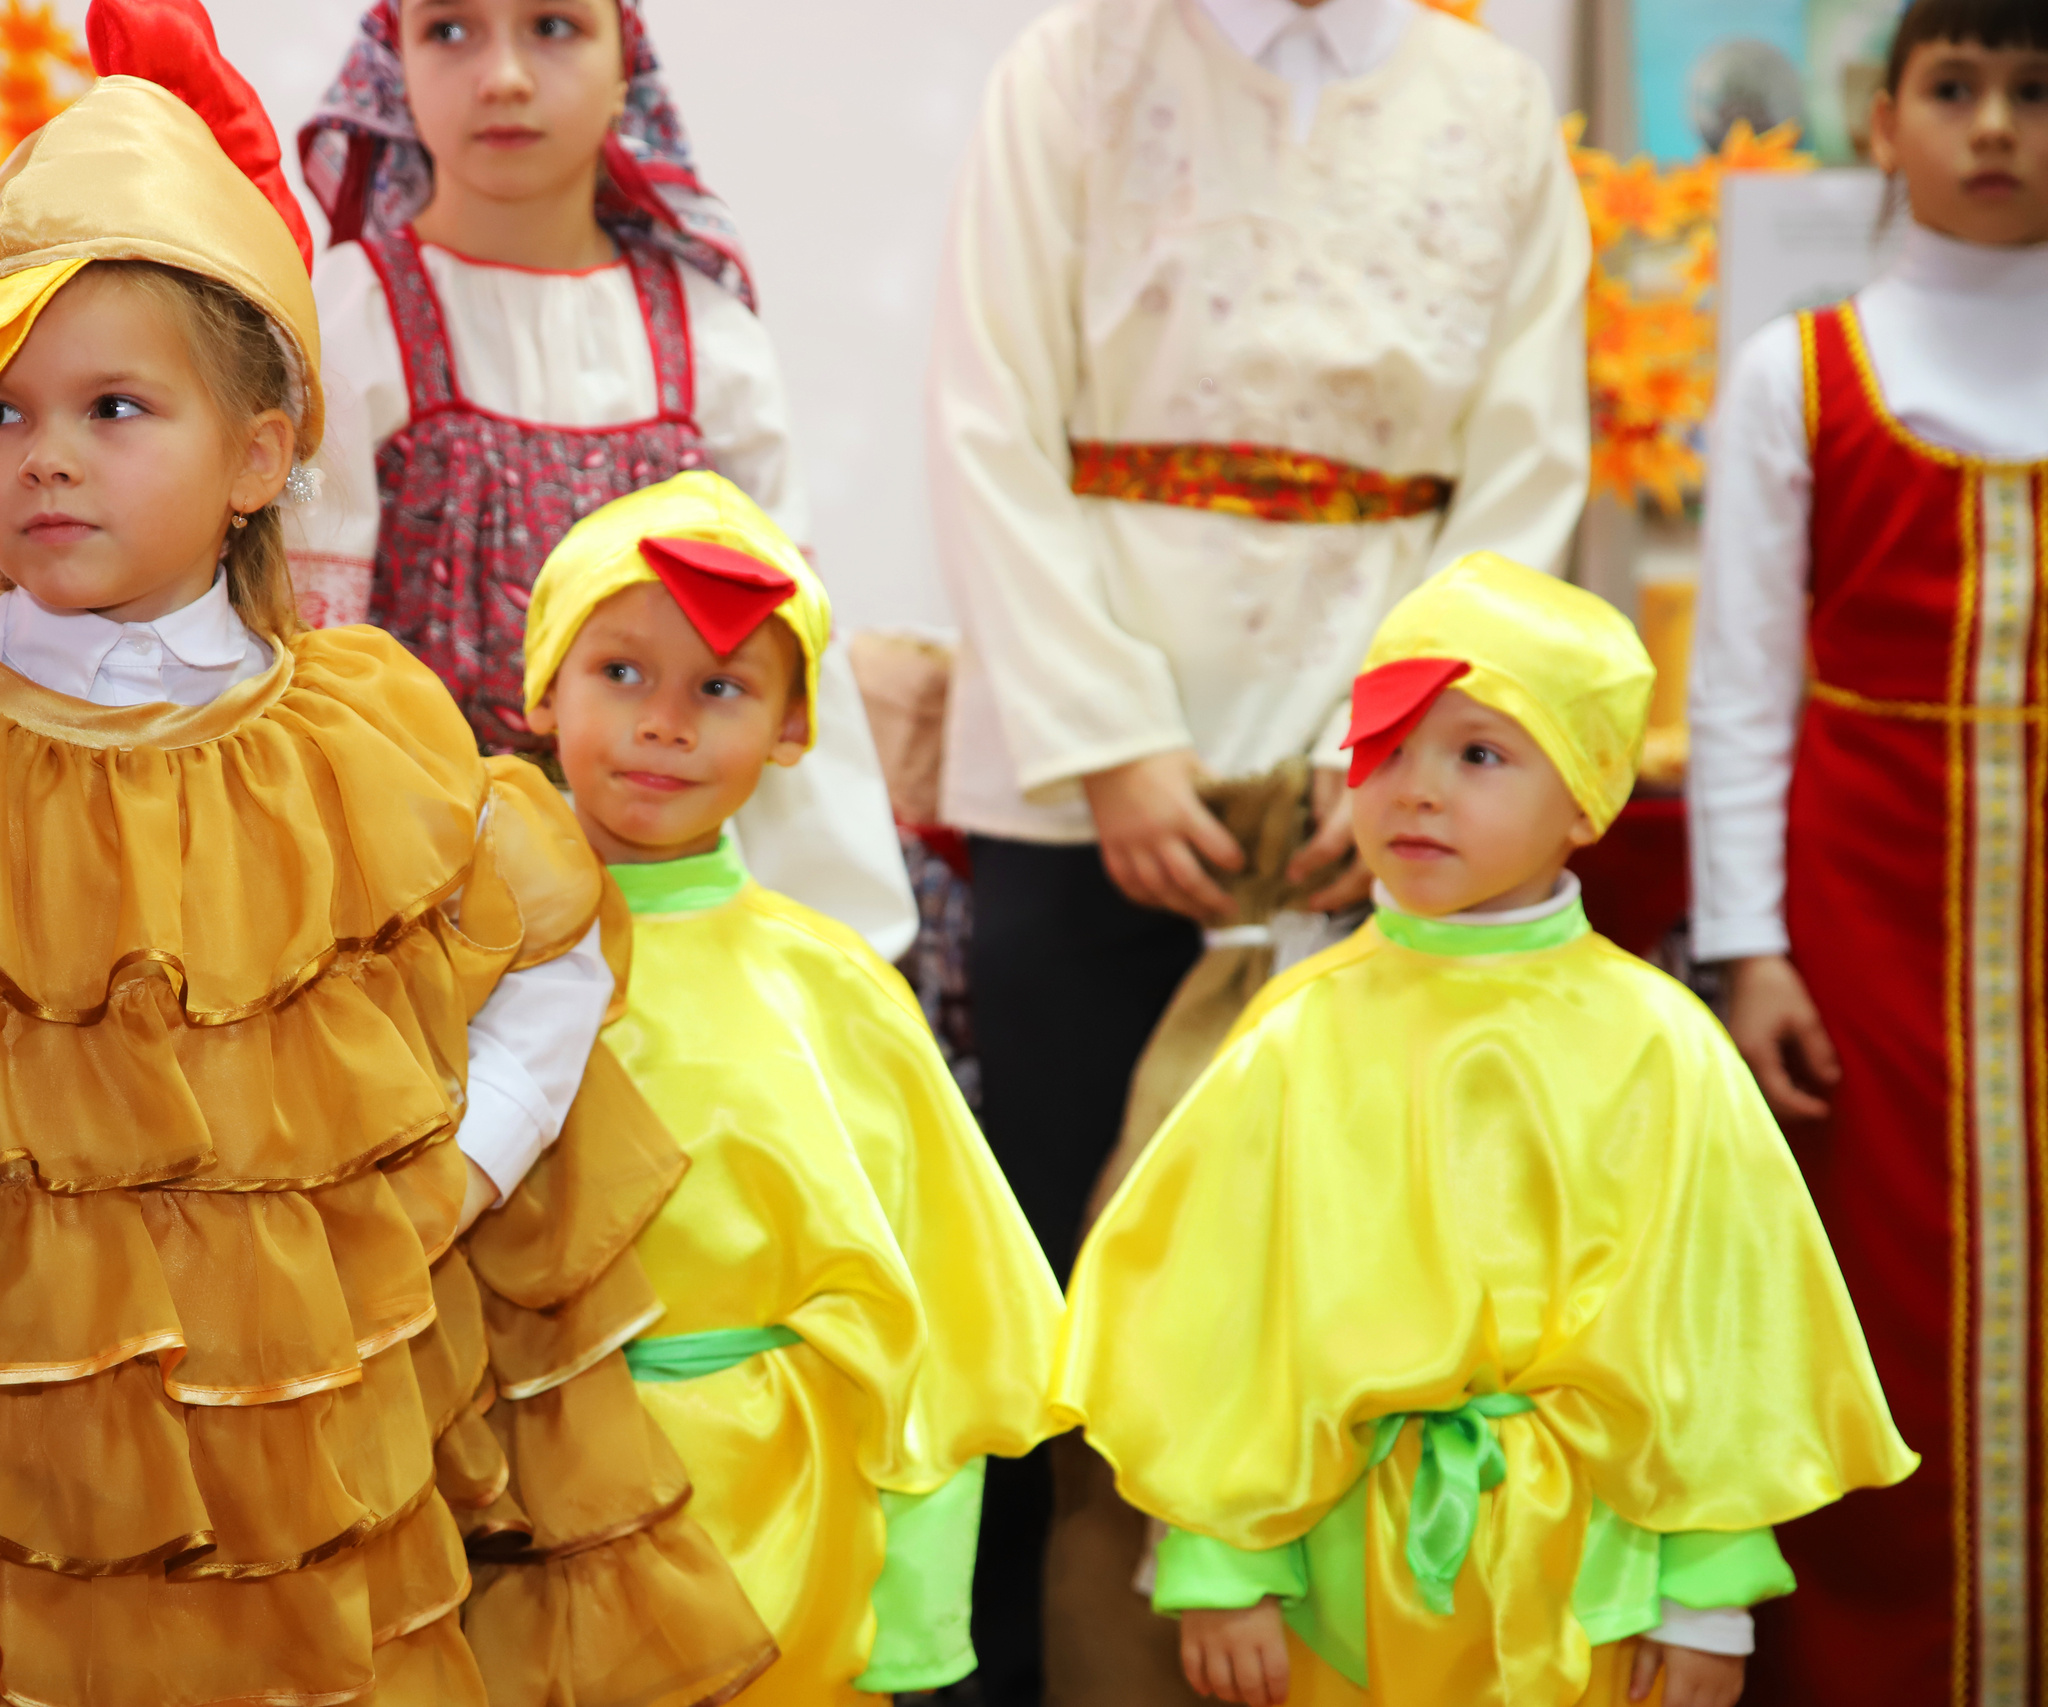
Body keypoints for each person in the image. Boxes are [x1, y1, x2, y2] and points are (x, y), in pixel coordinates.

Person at [0, 5, 771, 1702]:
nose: (43, 451)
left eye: (115, 405)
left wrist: (454, 1179)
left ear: (262, 452)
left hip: (293, 1492)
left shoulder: (361, 743)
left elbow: (550, 960)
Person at [925, 1, 1592, 1691]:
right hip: (1090, 799)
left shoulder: (1491, 105)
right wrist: (1110, 747)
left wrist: (1413, 759)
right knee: (1072, 1292)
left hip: (1389, 813)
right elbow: (987, 410)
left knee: (1371, 1276)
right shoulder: (1073, 67)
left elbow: (1524, 460)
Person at [1057, 554, 1916, 1707]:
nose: (1415, 789)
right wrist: (1219, 1557)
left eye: (1477, 753)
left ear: (1586, 797)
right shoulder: (1295, 1033)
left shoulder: (1658, 1044)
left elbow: (1721, 1326)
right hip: (1338, 1570)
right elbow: (1218, 1303)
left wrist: (1704, 1595)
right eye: (1386, 746)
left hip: (1588, 1577)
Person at [517, 470, 1065, 1704]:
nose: (666, 723)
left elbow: (941, 1331)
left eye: (719, 688)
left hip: (781, 1544)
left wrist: (916, 1619)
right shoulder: (450, 956)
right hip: (512, 1513)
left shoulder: (836, 996)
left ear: (792, 731)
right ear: (542, 685)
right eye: (620, 673)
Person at [1687, 2, 2048, 1700]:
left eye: (2036, 94)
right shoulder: (1797, 373)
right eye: (1957, 89)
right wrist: (1746, 949)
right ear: (1883, 120)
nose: (1996, 127)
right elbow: (1742, 682)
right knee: (1871, 1314)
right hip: (1863, 927)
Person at [292, 0, 916, 960]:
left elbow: (788, 649)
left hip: (676, 914)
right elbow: (308, 662)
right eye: (449, 31)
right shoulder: (355, 316)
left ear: (626, 62)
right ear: (393, 64)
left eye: (552, 26)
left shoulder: (706, 334)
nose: (502, 76)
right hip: (422, 923)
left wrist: (846, 943)